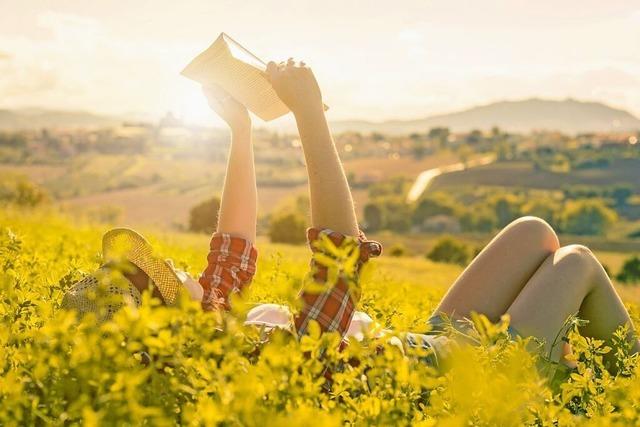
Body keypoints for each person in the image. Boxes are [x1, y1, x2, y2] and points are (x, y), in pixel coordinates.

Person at [62, 59, 639, 371]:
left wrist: (241, 128)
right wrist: (309, 114)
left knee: (533, 233)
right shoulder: (253, 355)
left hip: (430, 341)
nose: (174, 266)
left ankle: (560, 354)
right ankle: (613, 382)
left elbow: (231, 241)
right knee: (579, 263)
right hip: (473, 373)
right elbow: (338, 255)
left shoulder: (215, 322)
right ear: (167, 315)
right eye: (165, 274)